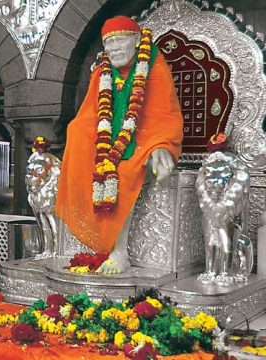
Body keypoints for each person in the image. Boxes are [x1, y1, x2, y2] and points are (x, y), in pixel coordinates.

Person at [55, 16, 183, 274]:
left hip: (144, 140)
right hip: (106, 142)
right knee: (76, 132)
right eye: (108, 43)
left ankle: (119, 252)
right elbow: (90, 114)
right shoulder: (102, 72)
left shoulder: (154, 65)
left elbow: (164, 112)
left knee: (121, 175)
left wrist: (162, 145)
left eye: (119, 40)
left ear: (136, 41)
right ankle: (92, 239)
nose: (113, 48)